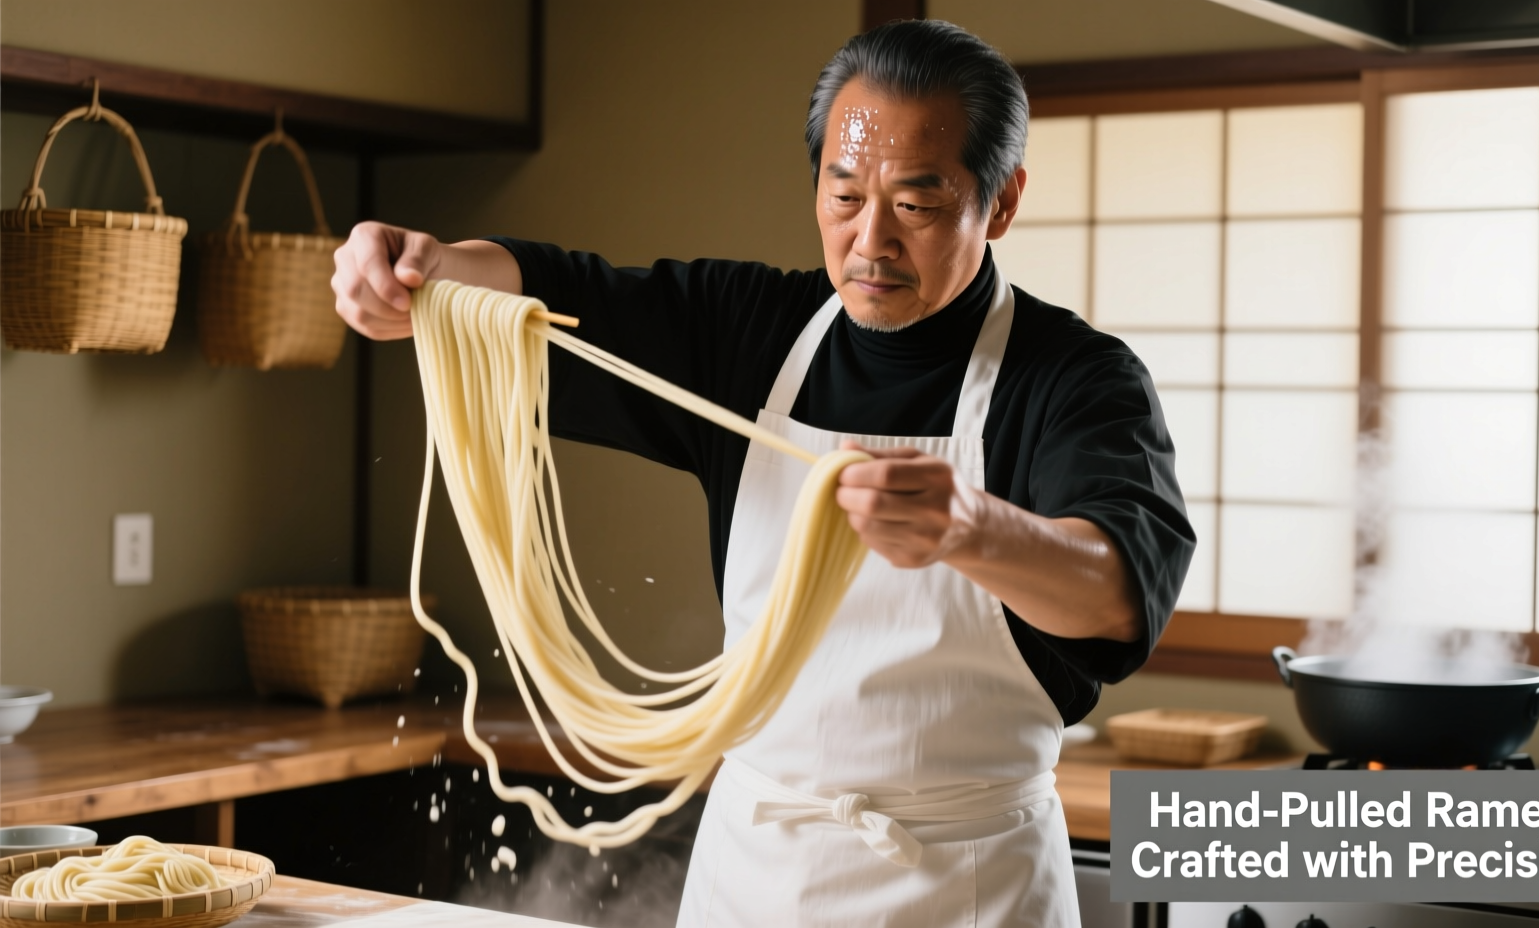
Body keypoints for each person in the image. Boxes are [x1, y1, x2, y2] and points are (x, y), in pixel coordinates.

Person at [334, 19, 1193, 927]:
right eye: (844, 194)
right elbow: (562, 298)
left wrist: (971, 529)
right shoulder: (752, 332)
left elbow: (1119, 593)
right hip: (753, 874)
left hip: (968, 884)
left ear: (1003, 199)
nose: (870, 241)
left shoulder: (1074, 379)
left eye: (915, 204)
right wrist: (430, 273)